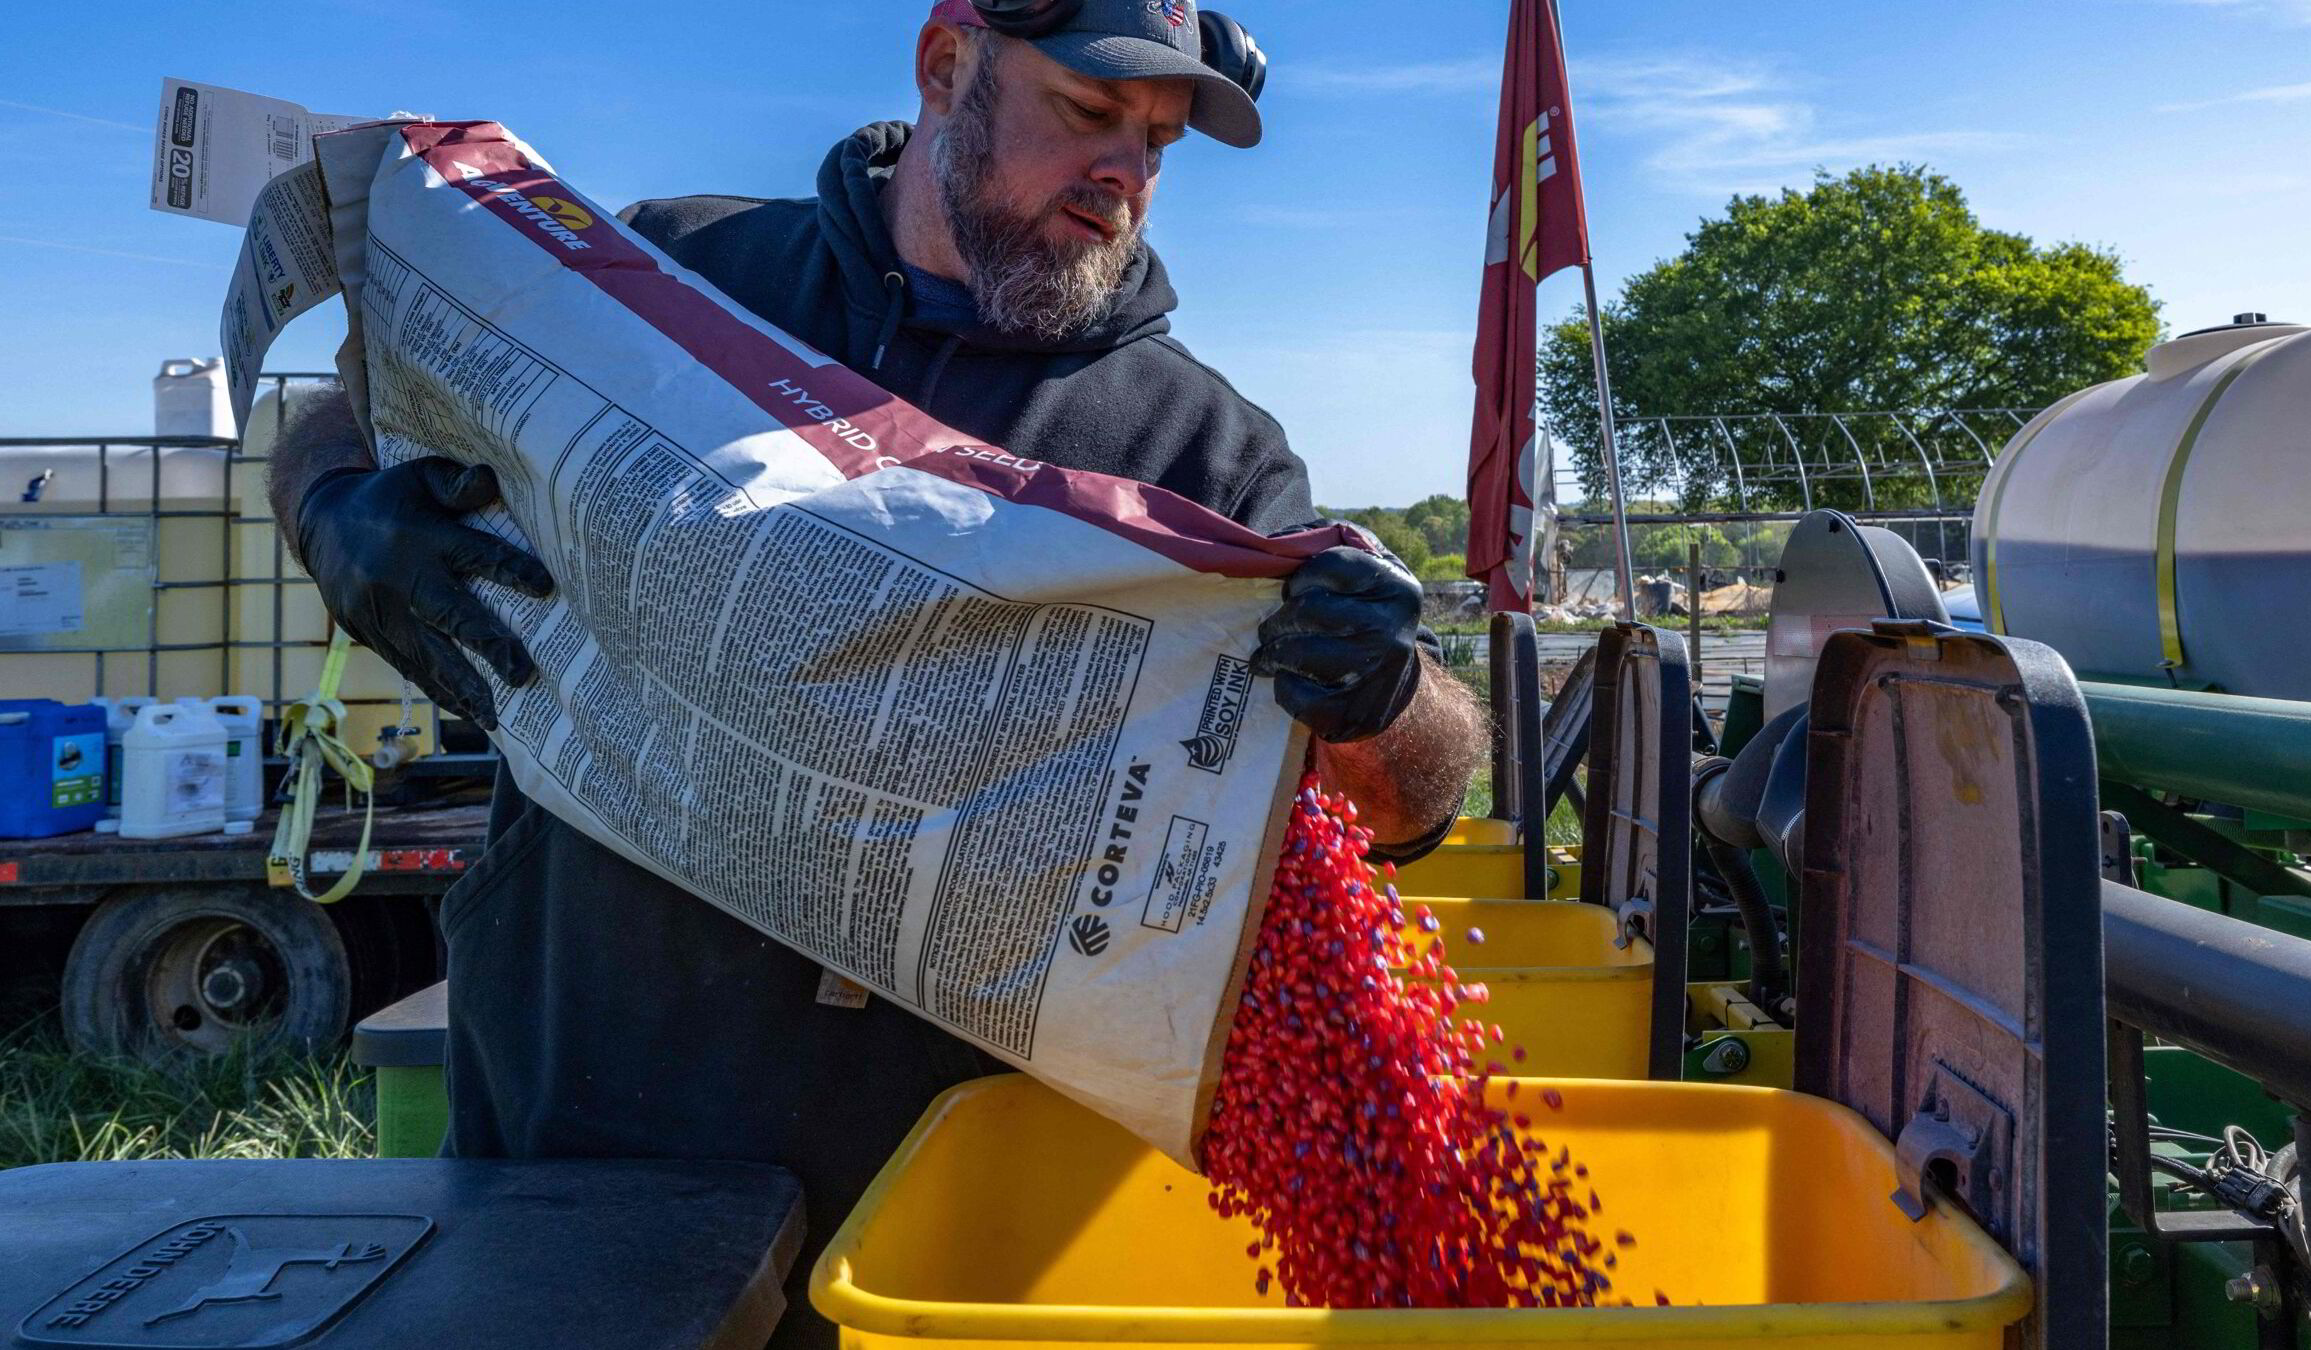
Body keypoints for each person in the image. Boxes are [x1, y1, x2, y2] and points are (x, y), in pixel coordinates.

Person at [266, 1, 1485, 1342]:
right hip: (580, 1130)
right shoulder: (683, 270)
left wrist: (1381, 695)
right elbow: (347, 408)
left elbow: (1415, 799)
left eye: (1157, 142)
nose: (1125, 173)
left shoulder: (1204, 449)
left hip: (941, 1223)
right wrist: (333, 506)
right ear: (949, 64)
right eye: (1090, 112)